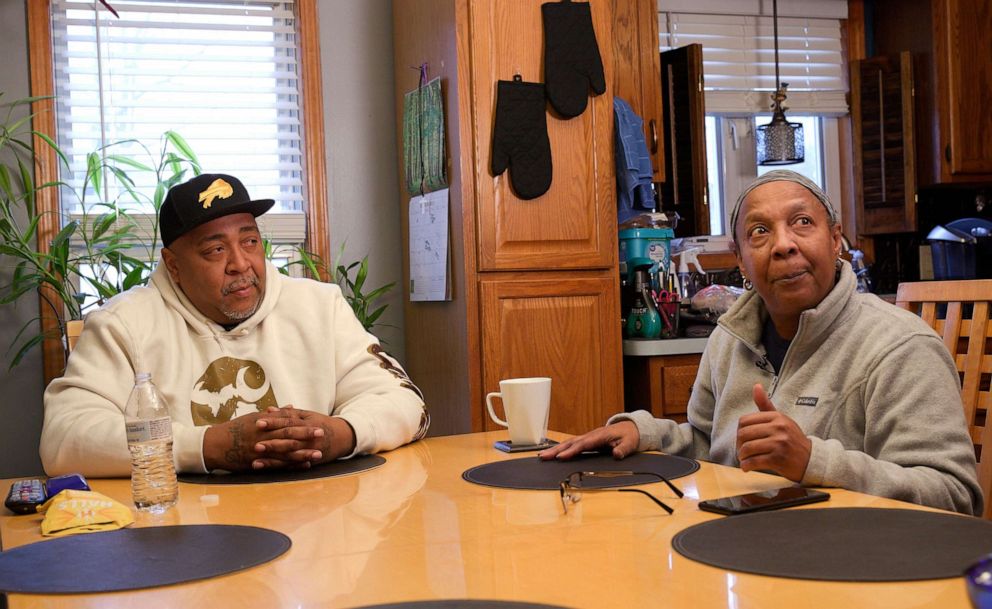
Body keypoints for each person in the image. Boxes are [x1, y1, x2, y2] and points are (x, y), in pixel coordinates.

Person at [541, 170, 983, 516]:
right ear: (740, 260)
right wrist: (643, 432)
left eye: (802, 223)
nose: (783, 245)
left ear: (835, 240)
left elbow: (954, 496)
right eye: (759, 232)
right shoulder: (730, 338)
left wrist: (814, 462)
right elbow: (708, 443)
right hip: (748, 552)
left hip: (856, 573)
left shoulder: (902, 348)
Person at [41, 173, 429, 476]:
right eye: (215, 249)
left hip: (316, 520)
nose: (240, 264)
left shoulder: (318, 305)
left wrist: (336, 435)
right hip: (187, 534)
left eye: (250, 242)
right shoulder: (121, 325)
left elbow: (404, 402)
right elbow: (65, 438)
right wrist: (208, 446)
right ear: (173, 265)